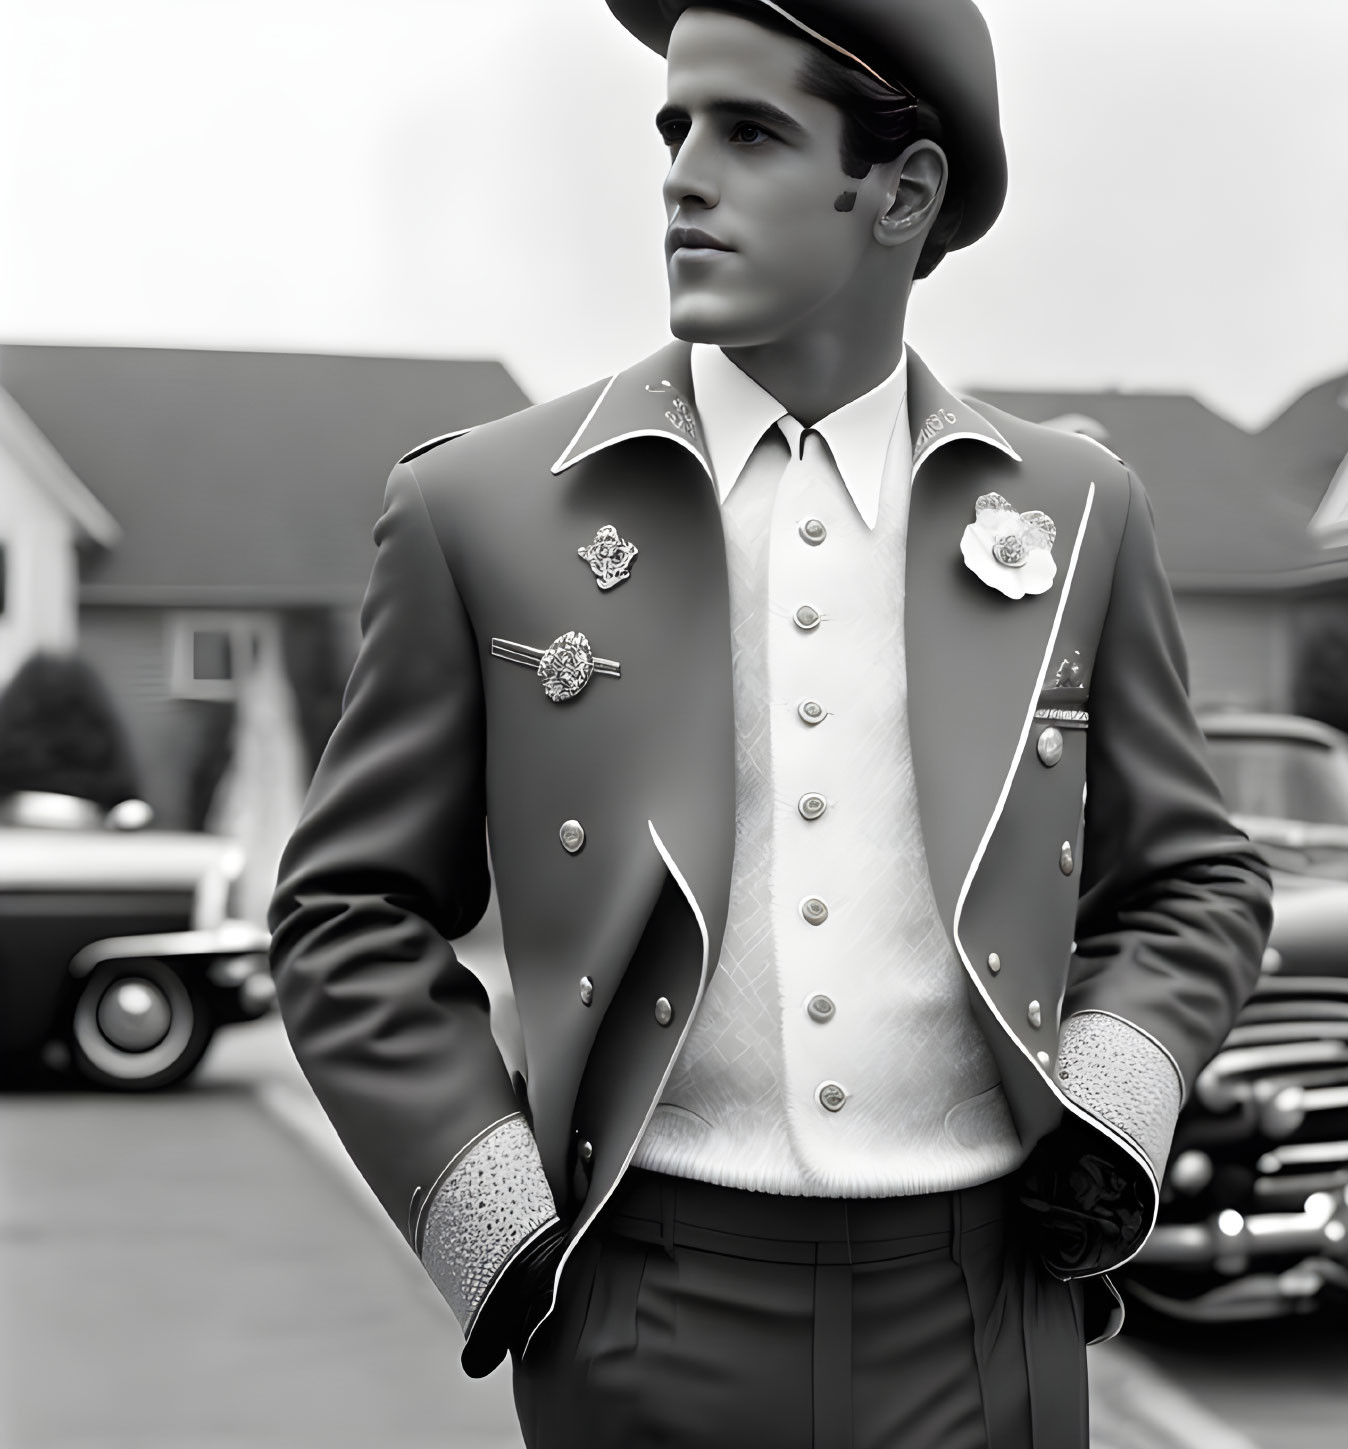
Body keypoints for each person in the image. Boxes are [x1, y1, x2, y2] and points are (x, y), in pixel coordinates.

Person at [268, 3, 1274, 1445]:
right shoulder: (479, 506)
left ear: (902, 193)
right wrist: (494, 1224)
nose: (682, 174)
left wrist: (1104, 1114)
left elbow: (1194, 878)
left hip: (981, 1315)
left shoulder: (1072, 509)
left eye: (748, 133)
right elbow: (345, 906)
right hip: (639, 1305)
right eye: (674, 128)